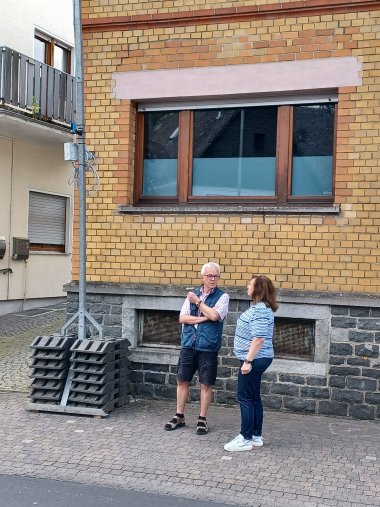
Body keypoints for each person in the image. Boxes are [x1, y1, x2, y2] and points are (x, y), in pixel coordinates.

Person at [164, 262, 229, 435]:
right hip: (189, 343)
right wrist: (203, 318)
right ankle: (179, 415)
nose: (213, 279)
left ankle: (202, 419)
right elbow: (182, 318)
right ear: (203, 277)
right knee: (182, 379)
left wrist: (199, 303)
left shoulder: (223, 297)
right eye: (209, 276)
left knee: (206, 383)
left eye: (216, 276)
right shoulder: (191, 294)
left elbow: (215, 315)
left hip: (208, 346)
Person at [224, 274, 278, 452]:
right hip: (257, 358)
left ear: (258, 289)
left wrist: (247, 361)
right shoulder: (260, 308)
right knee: (253, 397)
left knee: (245, 397)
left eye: (250, 284)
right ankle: (255, 436)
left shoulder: (261, 309)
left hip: (255, 359)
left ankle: (245, 438)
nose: (247, 287)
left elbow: (259, 338)